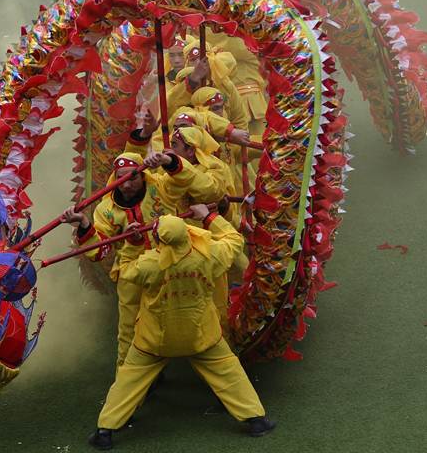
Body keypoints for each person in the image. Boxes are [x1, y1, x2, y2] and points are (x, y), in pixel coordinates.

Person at [87, 207, 275, 449]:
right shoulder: (210, 255)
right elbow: (235, 239)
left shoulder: (150, 263)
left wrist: (133, 243)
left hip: (154, 340)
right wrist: (209, 216)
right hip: (201, 335)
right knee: (229, 373)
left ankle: (105, 432)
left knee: (127, 381)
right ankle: (256, 421)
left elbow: (124, 273)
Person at [61, 148, 226, 369]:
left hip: (174, 266)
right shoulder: (105, 209)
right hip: (134, 271)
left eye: (132, 177)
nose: (126, 185)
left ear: (143, 174)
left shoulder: (160, 186)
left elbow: (189, 180)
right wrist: (83, 224)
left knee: (196, 312)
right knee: (128, 329)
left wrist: (168, 159)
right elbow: (98, 252)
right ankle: (128, 376)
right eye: (121, 179)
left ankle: (212, 358)